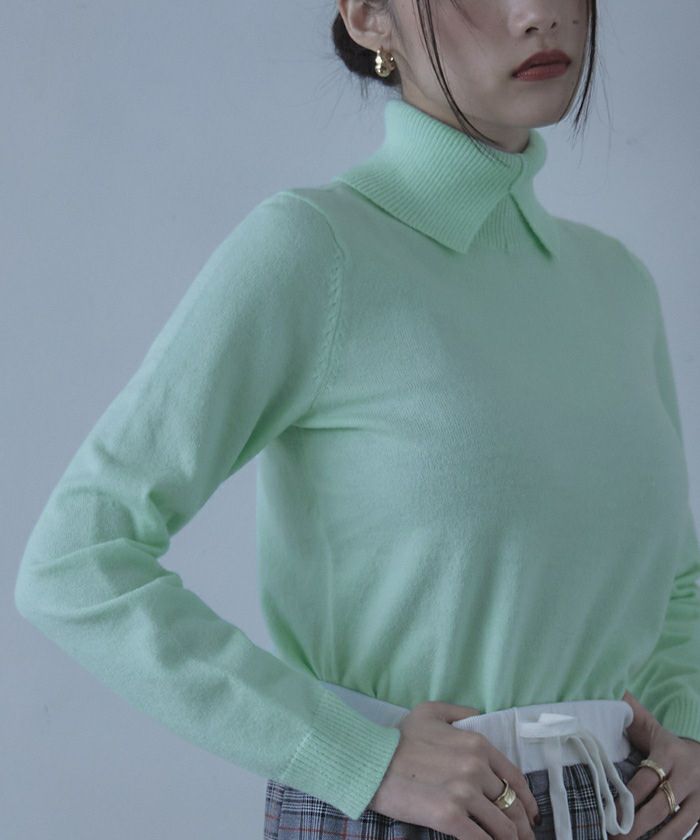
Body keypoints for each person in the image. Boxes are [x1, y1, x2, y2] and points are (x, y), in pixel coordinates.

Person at [14, 1, 700, 839]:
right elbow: (76, 562)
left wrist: (688, 724)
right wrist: (351, 752)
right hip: (400, 813)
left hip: (628, 809)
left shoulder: (617, 284)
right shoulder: (315, 250)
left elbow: (675, 580)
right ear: (371, 16)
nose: (536, 14)